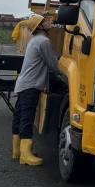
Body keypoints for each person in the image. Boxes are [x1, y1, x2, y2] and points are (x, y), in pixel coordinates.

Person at [11, 14, 60, 166]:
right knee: (27, 117)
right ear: (39, 26)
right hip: (31, 85)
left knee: (19, 116)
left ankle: (17, 150)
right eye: (44, 21)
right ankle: (26, 155)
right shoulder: (44, 41)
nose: (48, 21)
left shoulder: (34, 40)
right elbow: (53, 64)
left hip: (24, 83)